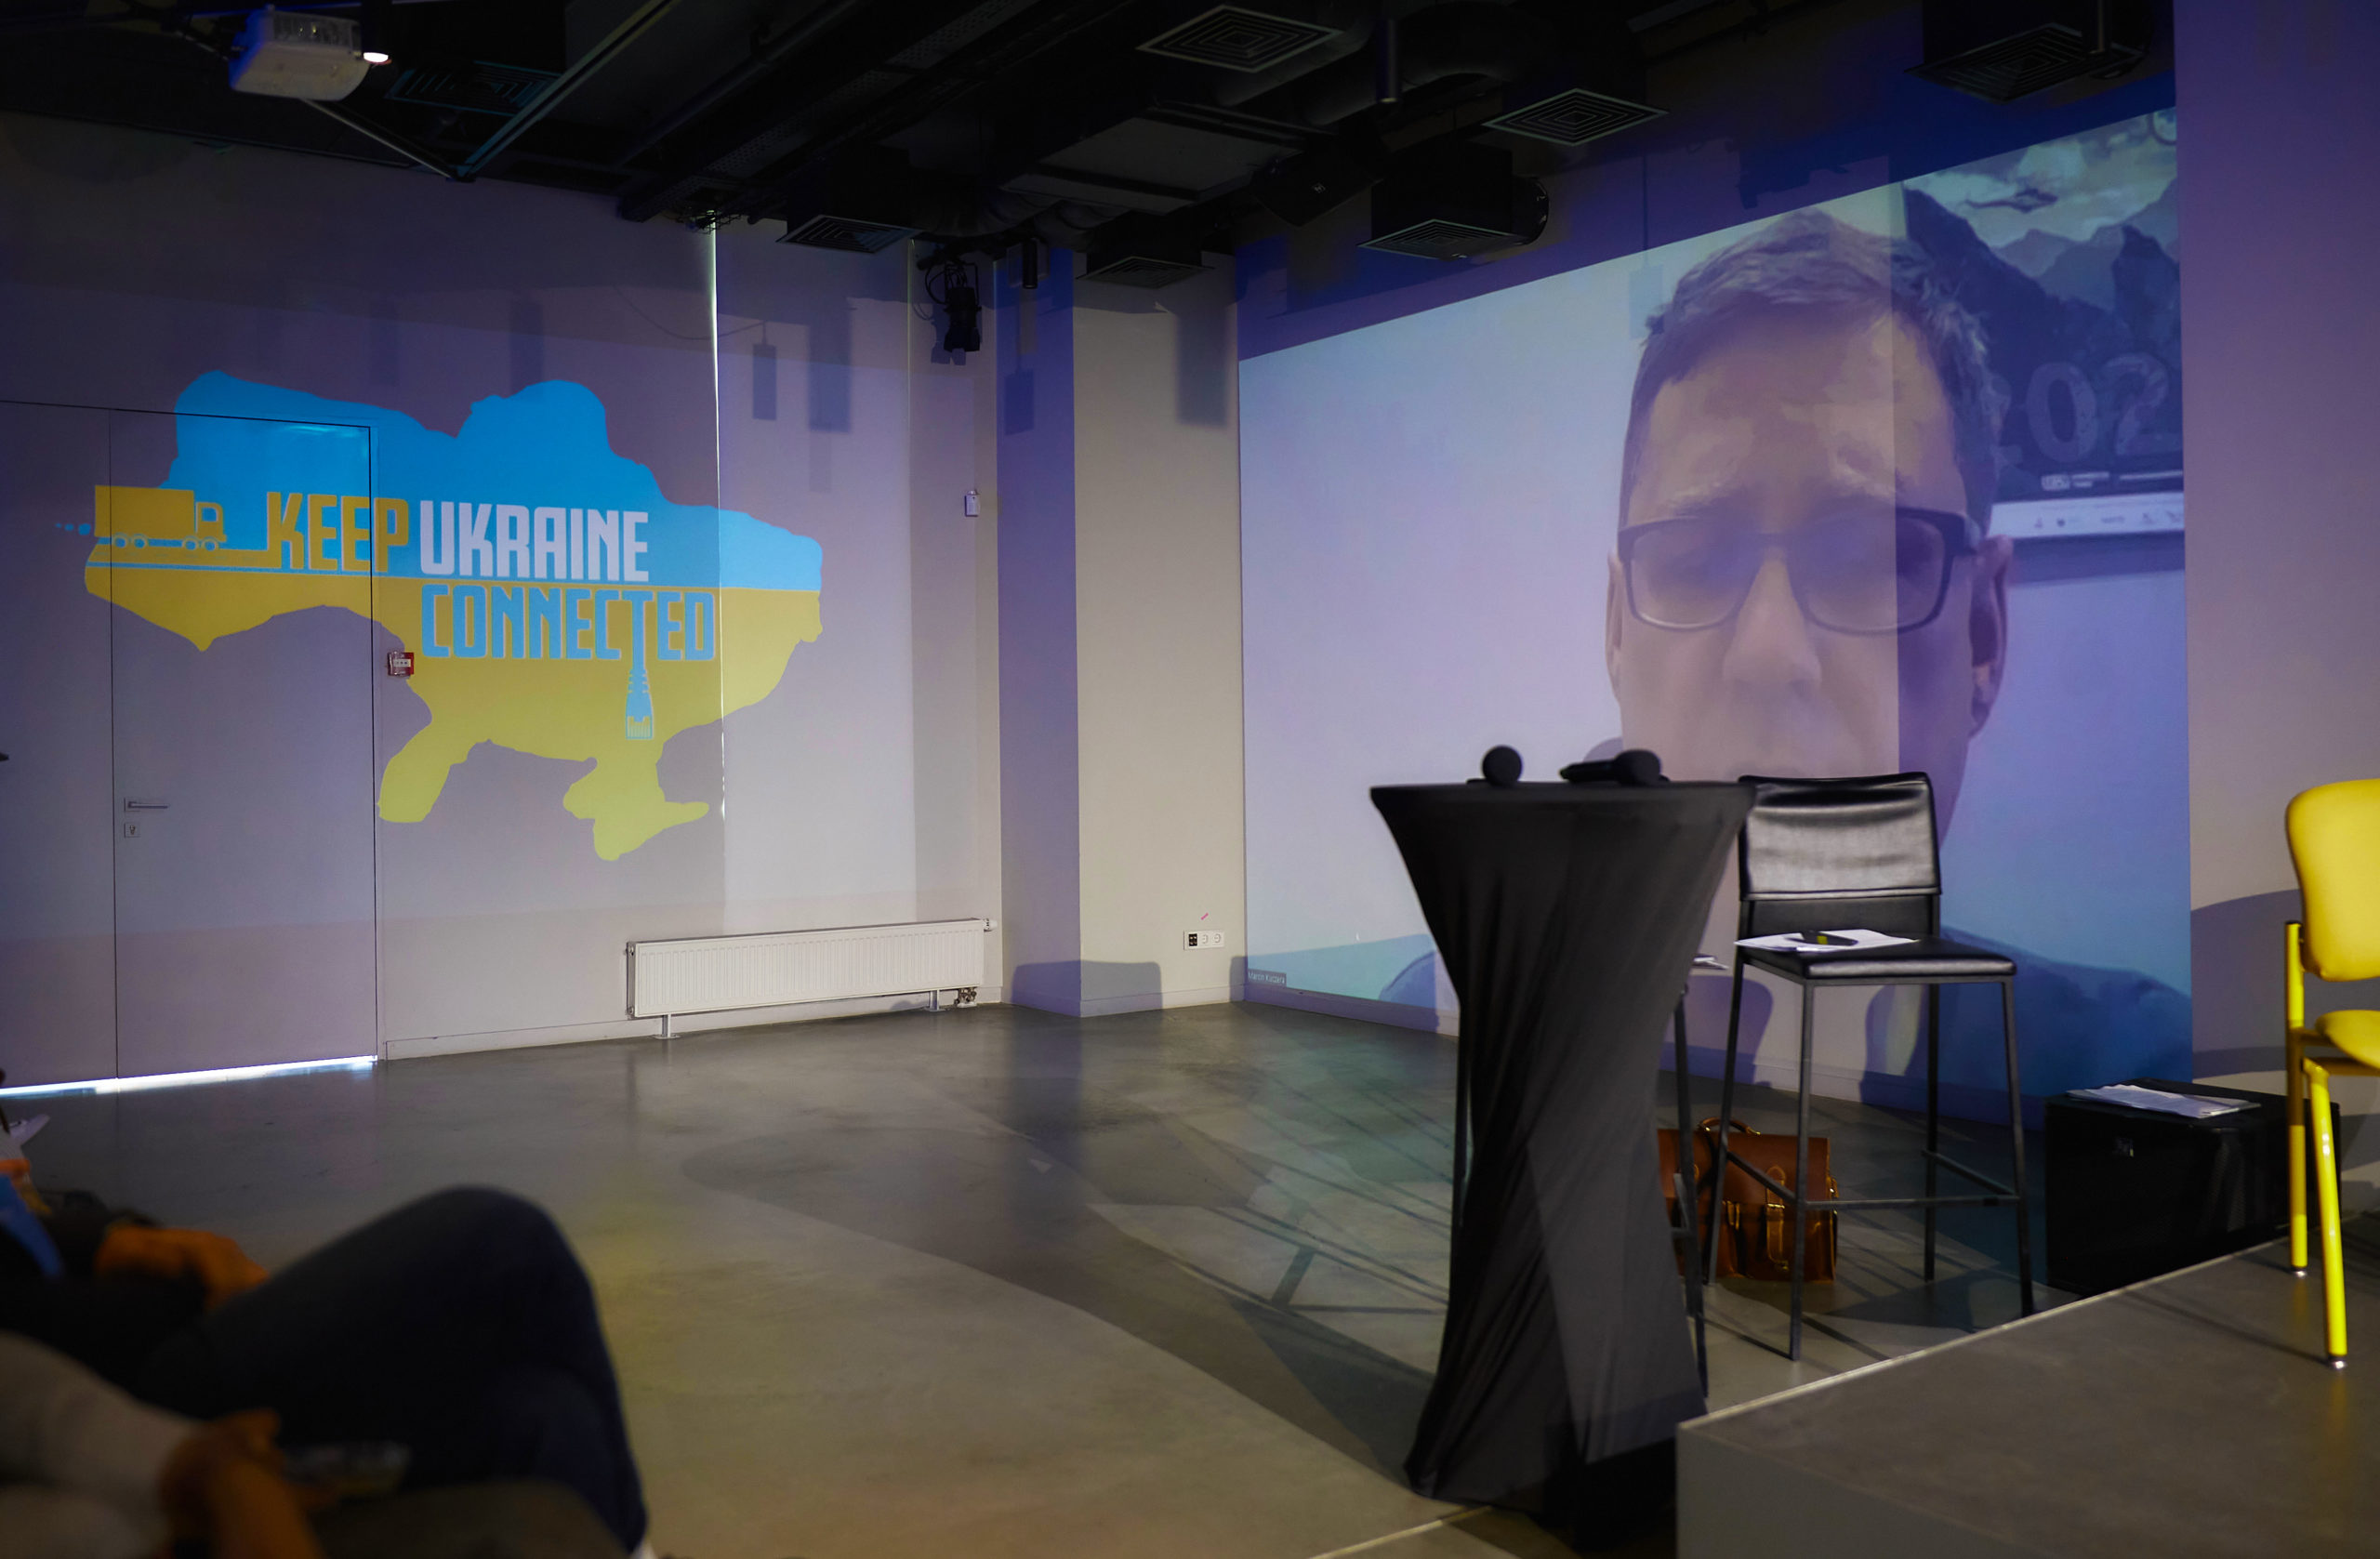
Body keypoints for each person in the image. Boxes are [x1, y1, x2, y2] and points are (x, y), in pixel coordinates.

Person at [1600, 208, 2188, 1101]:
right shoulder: (1463, 1021)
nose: (1770, 652)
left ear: (1983, 635)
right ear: (1616, 633)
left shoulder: (2139, 1080)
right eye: (1693, 560)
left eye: (1868, 559)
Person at [0, 1178, 649, 1556]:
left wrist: (97, 1236)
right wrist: (197, 1466)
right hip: (119, 1377)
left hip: (132, 1325)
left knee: (545, 1414)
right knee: (509, 1238)